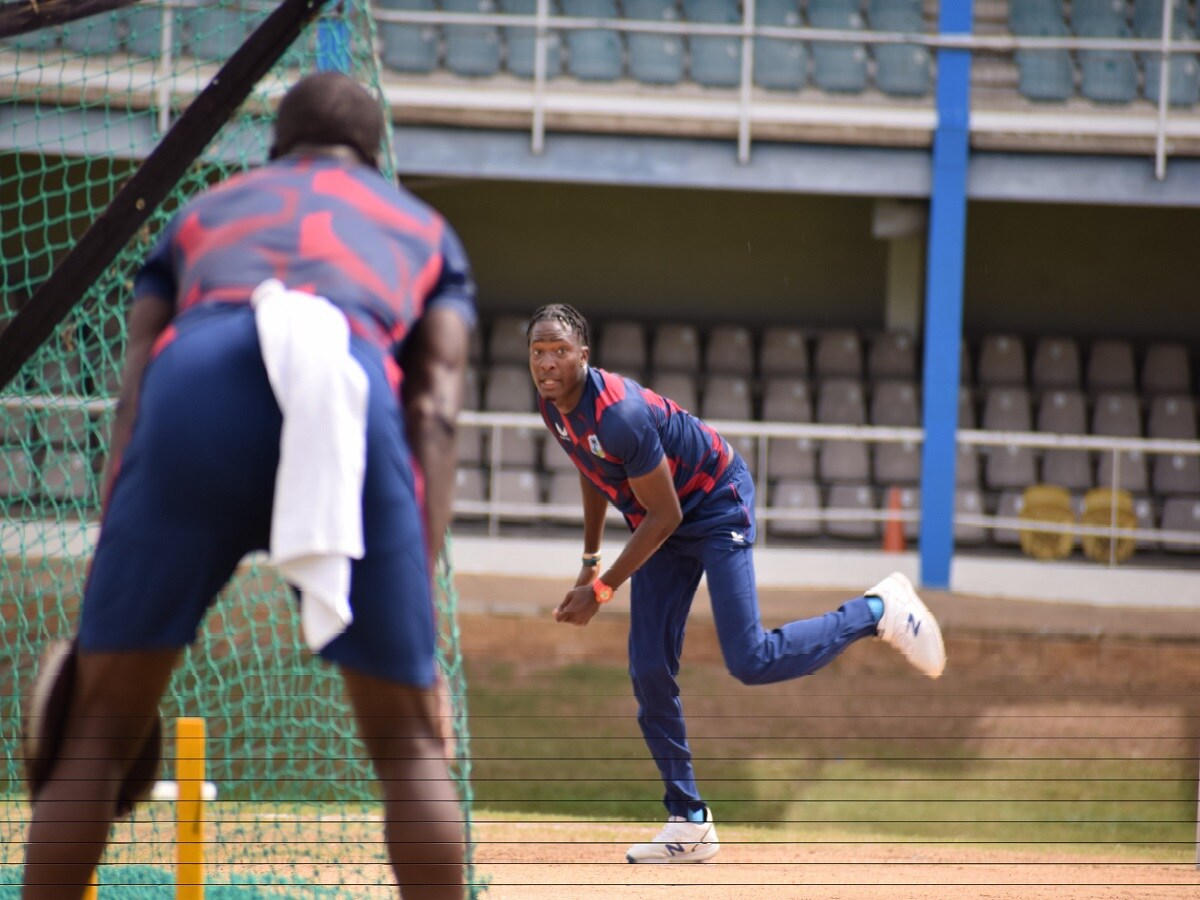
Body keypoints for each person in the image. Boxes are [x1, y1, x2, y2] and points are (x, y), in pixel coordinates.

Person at [22, 73, 474, 900]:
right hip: (349, 383)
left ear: (276, 148)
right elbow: (436, 410)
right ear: (373, 159)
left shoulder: (203, 211)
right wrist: (419, 618)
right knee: (410, 749)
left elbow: (132, 403)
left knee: (94, 737)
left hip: (196, 386)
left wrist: (108, 587)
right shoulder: (428, 231)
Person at [527, 303, 946, 865]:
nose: (547, 362)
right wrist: (590, 559)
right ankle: (689, 822)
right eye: (538, 351)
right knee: (649, 668)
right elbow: (592, 469)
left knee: (749, 659)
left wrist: (602, 592)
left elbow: (667, 516)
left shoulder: (619, 414)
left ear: (585, 354)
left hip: (713, 503)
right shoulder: (555, 407)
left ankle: (878, 610)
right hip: (662, 517)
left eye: (559, 350)